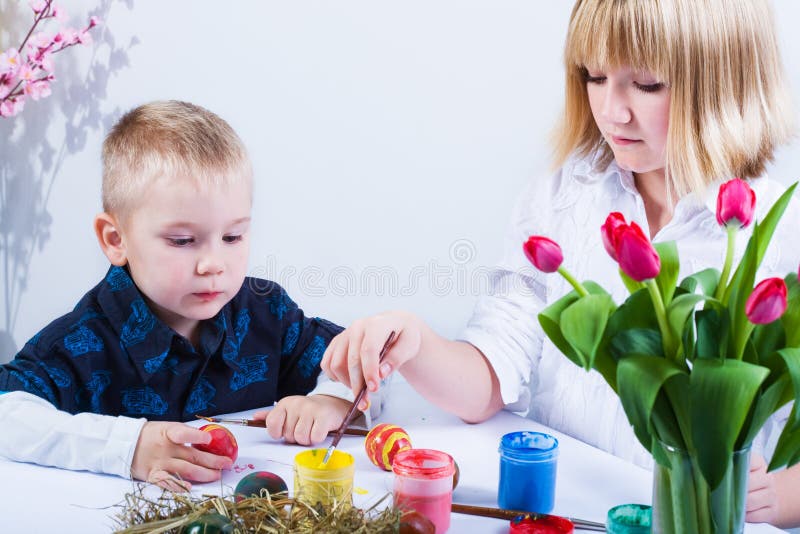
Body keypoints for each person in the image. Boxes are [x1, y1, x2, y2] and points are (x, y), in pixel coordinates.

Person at [321, 0, 800, 527]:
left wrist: (781, 495)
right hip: (563, 511)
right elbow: (492, 374)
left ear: (723, 81)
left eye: (646, 84)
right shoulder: (564, 197)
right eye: (595, 75)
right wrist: (415, 341)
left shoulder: (782, 234)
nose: (612, 110)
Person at [0, 100, 356, 491]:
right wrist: (128, 447)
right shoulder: (79, 344)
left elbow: (355, 358)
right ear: (116, 239)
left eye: (233, 237)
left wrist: (331, 401)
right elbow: (8, 414)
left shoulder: (266, 311)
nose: (213, 263)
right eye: (183, 241)